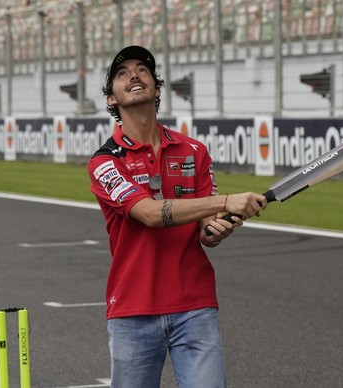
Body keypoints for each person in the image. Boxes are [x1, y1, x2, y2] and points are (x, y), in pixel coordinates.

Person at [88, 45, 268, 388]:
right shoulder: (105, 162)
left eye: (143, 70)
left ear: (156, 88)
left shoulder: (194, 151)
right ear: (111, 98)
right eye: (122, 73)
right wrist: (226, 201)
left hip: (195, 304)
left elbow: (206, 234)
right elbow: (151, 214)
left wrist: (220, 226)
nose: (134, 76)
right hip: (133, 309)